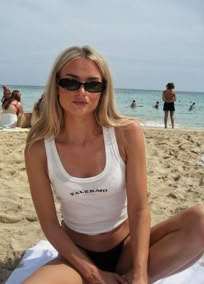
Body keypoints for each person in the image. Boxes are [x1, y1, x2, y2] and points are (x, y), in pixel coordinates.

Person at [24, 46, 204, 284]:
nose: (82, 91)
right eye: (70, 82)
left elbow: (139, 209)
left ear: (103, 90)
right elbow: (49, 223)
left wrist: (140, 274)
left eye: (93, 85)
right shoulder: (38, 147)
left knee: (201, 219)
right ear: (55, 85)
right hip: (77, 256)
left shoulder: (126, 134)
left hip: (128, 249)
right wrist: (92, 273)